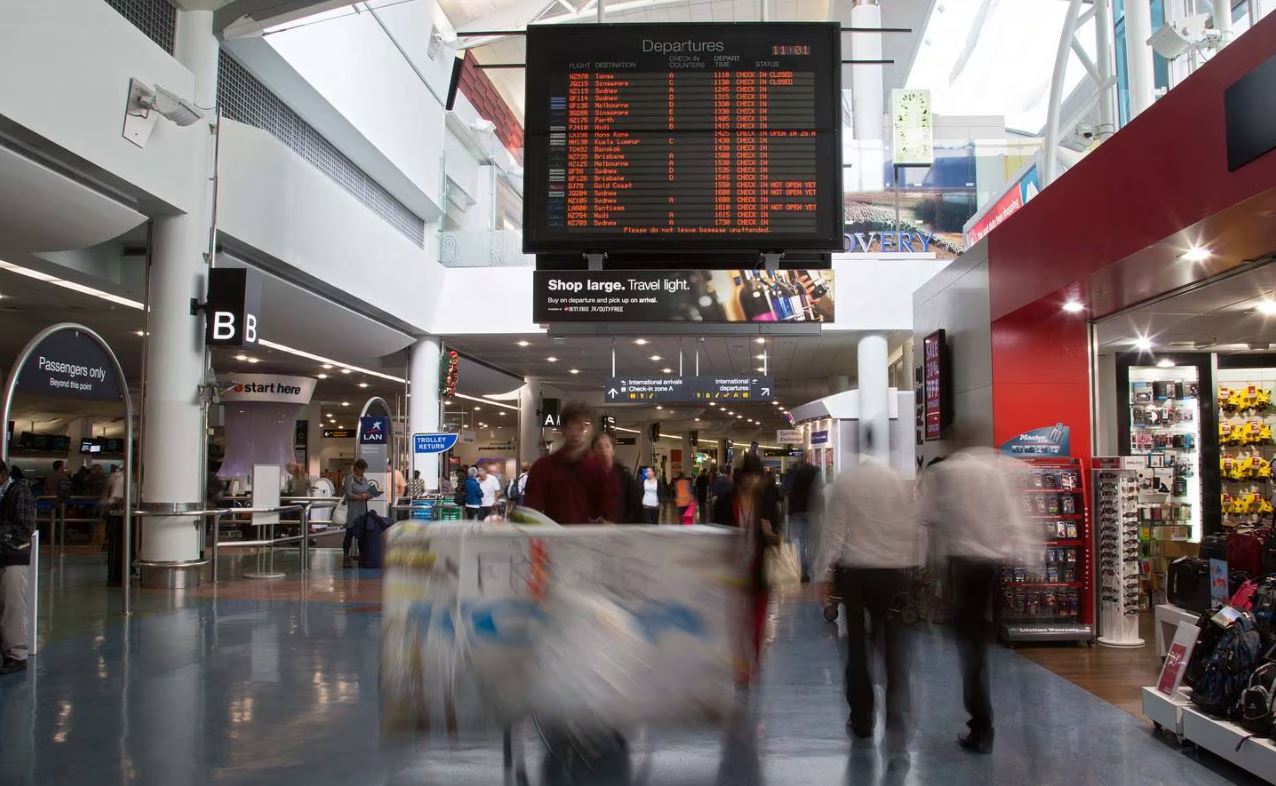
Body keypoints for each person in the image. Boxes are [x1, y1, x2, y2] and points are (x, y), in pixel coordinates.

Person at [923, 446, 1041, 754]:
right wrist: (1030, 557)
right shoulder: (993, 472)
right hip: (989, 565)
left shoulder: (948, 473)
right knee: (976, 643)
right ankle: (981, 723)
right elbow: (1015, 516)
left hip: (963, 564)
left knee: (969, 646)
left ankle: (981, 725)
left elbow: (928, 517)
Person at [815, 451, 920, 742]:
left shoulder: (846, 482)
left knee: (857, 648)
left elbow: (835, 533)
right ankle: (897, 715)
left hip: (856, 574)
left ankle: (862, 719)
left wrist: (824, 575)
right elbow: (908, 528)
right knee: (892, 643)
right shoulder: (895, 482)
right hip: (890, 572)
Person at [712, 454, 779, 686]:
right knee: (737, 623)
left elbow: (778, 538)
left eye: (756, 476)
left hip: (760, 568)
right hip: (733, 570)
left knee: (757, 623)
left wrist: (770, 534)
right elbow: (715, 532)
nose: (752, 481)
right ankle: (741, 670)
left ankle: (755, 660)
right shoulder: (725, 502)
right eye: (749, 476)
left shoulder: (767, 502)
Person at [520, 401, 609, 524]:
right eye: (572, 425)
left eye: (585, 425)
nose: (578, 431)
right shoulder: (543, 467)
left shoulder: (598, 469)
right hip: (553, 539)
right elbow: (531, 512)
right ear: (563, 429)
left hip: (589, 540)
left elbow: (607, 512)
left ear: (591, 429)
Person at [0, 459, 35, 674]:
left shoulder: (19, 492)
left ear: (3, 474)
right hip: (3, 555)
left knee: (11, 606)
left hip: (13, 557)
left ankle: (16, 655)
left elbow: (25, 527)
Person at [593, 432, 643, 523]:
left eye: (607, 446)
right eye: (599, 446)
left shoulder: (625, 478)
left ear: (612, 450)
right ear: (593, 451)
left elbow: (636, 510)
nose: (603, 450)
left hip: (621, 531)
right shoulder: (588, 478)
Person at [787, 456, 822, 582]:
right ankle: (813, 569)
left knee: (800, 542)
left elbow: (787, 489)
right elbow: (820, 490)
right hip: (811, 510)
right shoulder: (815, 472)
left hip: (797, 511)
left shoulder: (795, 474)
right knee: (812, 542)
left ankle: (803, 571)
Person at [341, 459, 374, 566]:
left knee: (362, 535)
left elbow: (368, 491)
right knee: (349, 534)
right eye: (362, 469)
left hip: (362, 509)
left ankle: (362, 556)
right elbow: (348, 494)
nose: (363, 471)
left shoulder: (364, 479)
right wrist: (360, 497)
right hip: (352, 510)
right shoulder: (349, 479)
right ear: (357, 468)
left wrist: (368, 495)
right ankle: (346, 557)